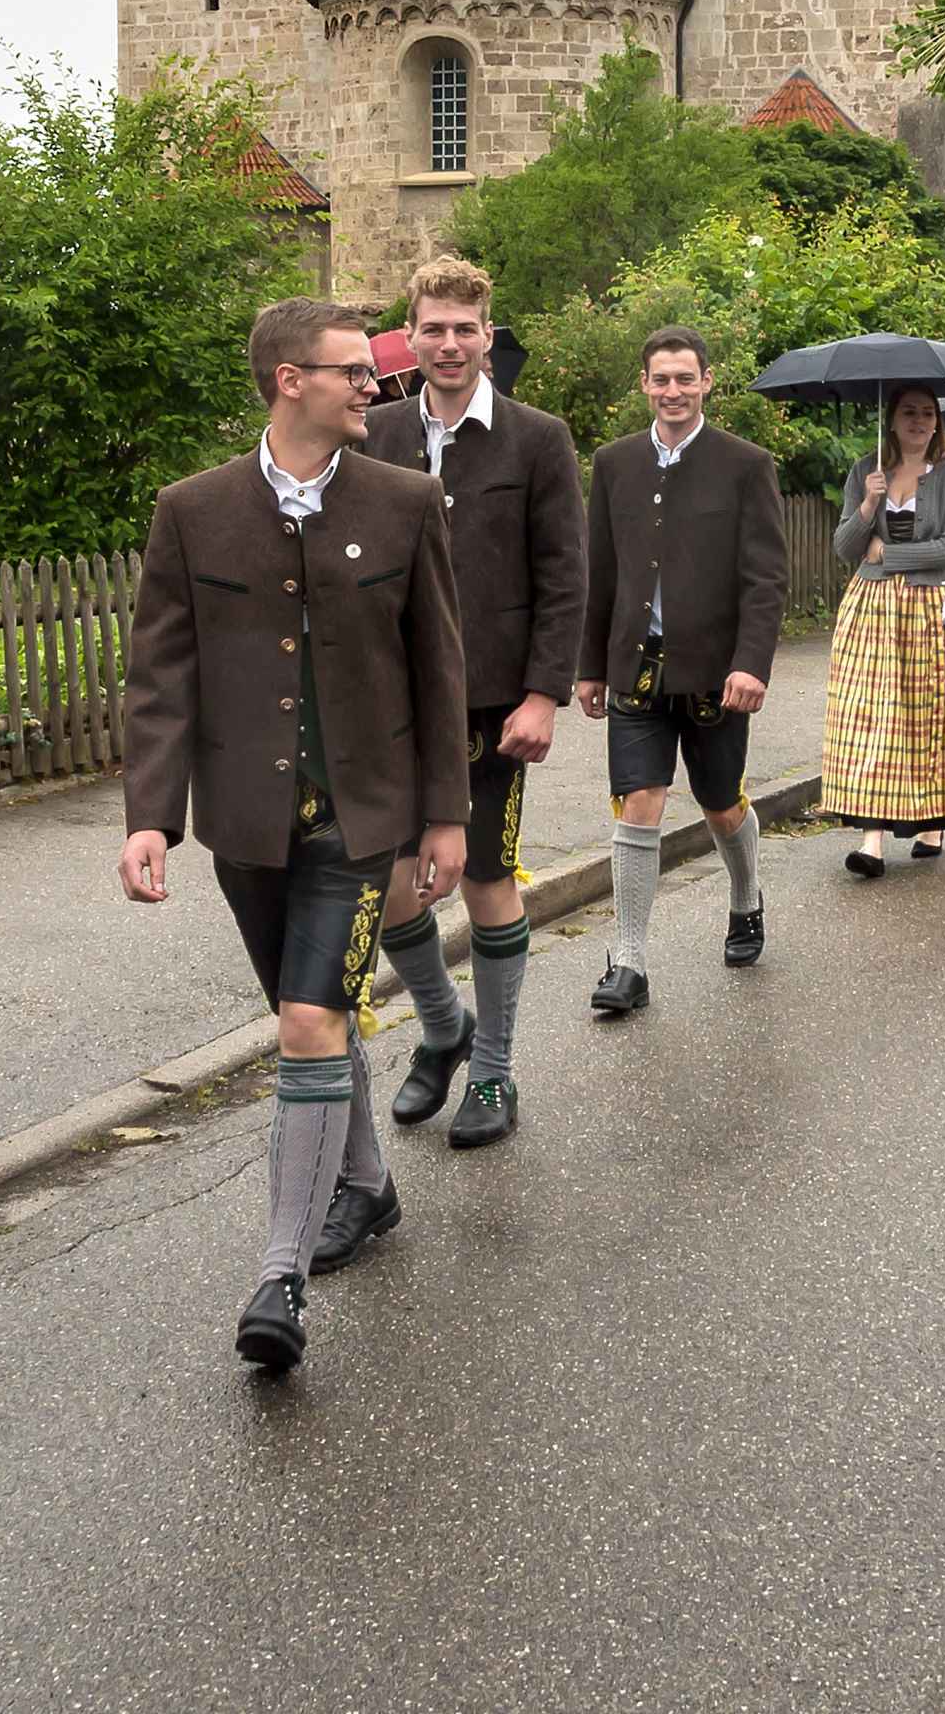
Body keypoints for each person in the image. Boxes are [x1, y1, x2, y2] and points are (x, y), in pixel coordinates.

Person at [117, 300, 467, 1374]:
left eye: (375, 372)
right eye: (355, 372)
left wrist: (444, 814)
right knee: (307, 1021)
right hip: (246, 821)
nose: (378, 386)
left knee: (311, 1018)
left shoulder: (407, 502)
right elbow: (162, 675)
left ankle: (280, 1274)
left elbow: (438, 670)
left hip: (363, 818)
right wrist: (149, 817)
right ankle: (364, 1183)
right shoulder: (194, 510)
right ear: (288, 381)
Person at [308, 258, 583, 1262]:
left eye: (466, 328)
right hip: (388, 704)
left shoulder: (538, 439)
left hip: (491, 701)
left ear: (487, 333)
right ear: (410, 336)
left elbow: (565, 574)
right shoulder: (371, 431)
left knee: (485, 873)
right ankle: (440, 1023)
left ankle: (495, 1067)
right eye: (433, 328)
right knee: (391, 884)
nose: (451, 344)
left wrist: (546, 691)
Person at [576, 325, 788, 1013]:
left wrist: (751, 663)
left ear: (706, 383)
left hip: (714, 672)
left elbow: (766, 578)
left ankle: (745, 897)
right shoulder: (613, 463)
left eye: (684, 378)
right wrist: (587, 666)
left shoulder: (745, 463)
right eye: (660, 379)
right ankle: (629, 963)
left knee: (721, 804)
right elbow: (599, 572)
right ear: (644, 384)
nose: (672, 391)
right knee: (641, 802)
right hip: (634, 667)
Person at [823, 387, 945, 876]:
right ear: (891, 420)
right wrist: (869, 506)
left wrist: (888, 554)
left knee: (926, 717)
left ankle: (932, 821)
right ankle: (871, 840)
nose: (918, 421)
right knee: (870, 718)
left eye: (927, 413)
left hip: (931, 606)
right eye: (908, 412)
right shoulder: (864, 471)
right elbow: (844, 547)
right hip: (870, 610)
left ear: (937, 423)